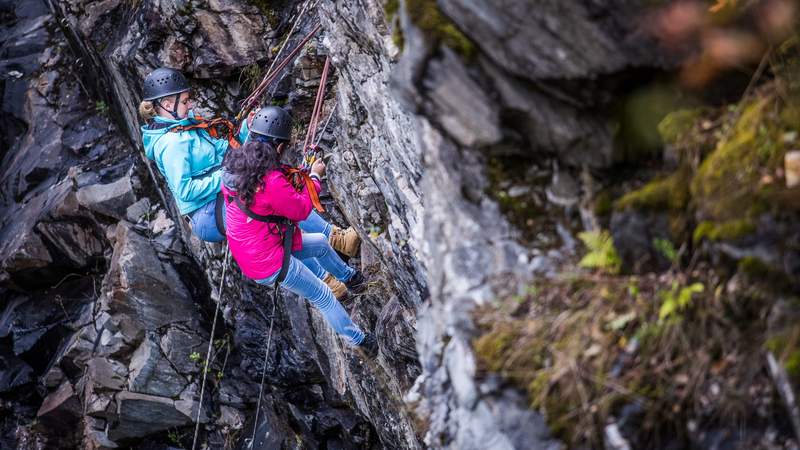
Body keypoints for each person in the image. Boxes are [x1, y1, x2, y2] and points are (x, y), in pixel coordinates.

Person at [138, 68, 360, 298]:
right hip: (206, 212)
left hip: (218, 196)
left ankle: (335, 241)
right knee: (273, 212)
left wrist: (245, 130)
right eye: (184, 101)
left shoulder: (186, 125)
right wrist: (226, 175)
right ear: (165, 104)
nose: (191, 105)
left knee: (274, 206)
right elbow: (185, 190)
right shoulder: (172, 145)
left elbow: (225, 151)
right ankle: (329, 274)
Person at [221, 106, 378, 358]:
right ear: (279, 147)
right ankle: (361, 342)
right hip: (268, 260)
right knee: (323, 295)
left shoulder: (234, 166)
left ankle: (351, 279)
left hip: (256, 247)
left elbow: (268, 199)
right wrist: (314, 177)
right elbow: (301, 209)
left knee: (320, 243)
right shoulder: (270, 180)